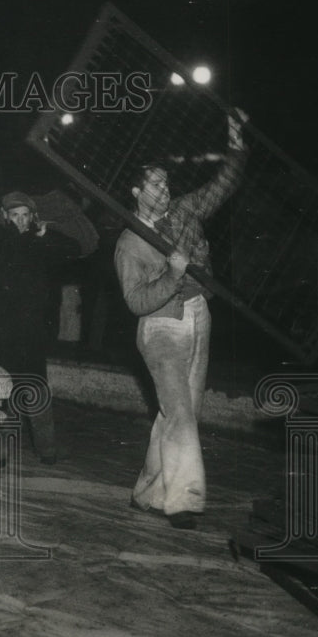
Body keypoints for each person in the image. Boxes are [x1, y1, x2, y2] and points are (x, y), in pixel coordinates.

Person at [114, 108, 249, 529]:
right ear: (137, 191)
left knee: (180, 410)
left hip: (197, 316)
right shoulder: (129, 243)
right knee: (181, 413)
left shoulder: (186, 211)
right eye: (155, 183)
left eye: (166, 181)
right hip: (160, 328)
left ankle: (146, 492)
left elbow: (223, 185)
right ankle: (185, 500)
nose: (164, 188)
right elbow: (136, 302)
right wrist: (172, 275)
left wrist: (236, 143)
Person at [0, 189, 82, 464]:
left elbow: (75, 250)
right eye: (14, 215)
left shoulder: (40, 241)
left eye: (25, 215)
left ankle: (47, 449)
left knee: (36, 386)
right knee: (0, 389)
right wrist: (1, 193)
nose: (20, 221)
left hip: (31, 329)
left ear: (32, 217)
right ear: (5, 216)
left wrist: (45, 235)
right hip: (1, 328)